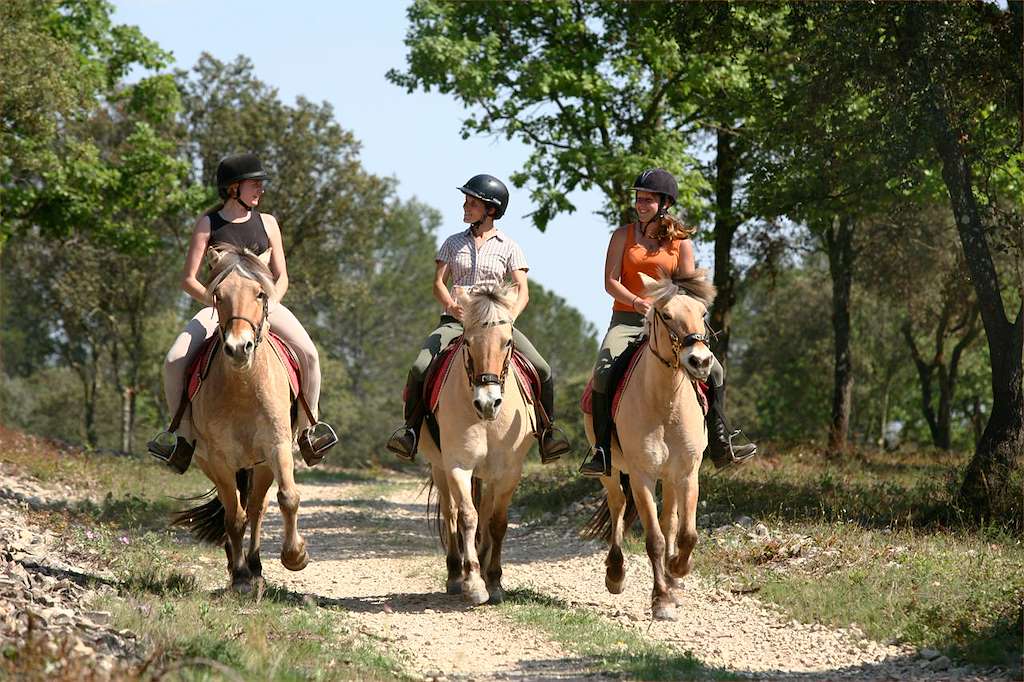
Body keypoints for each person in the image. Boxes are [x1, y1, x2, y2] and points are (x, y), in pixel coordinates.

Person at [147, 153, 336, 473]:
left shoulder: (268, 223)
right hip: (217, 308)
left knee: (310, 354)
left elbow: (282, 274)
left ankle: (308, 430)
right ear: (233, 188)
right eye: (254, 184)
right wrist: (216, 302)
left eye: (260, 184)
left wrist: (270, 301)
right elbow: (189, 279)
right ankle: (182, 436)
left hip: (265, 305)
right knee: (174, 360)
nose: (260, 189)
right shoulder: (209, 224)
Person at [579, 168, 757, 478]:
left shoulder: (681, 244)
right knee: (603, 373)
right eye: (638, 198)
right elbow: (610, 281)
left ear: (665, 204)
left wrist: (675, 313)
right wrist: (637, 302)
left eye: (648, 199)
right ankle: (603, 450)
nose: (640, 204)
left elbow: (687, 291)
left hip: (670, 323)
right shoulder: (622, 235)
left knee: (715, 369)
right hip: (628, 320)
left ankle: (719, 440)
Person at [386, 174, 571, 463]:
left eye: (472, 203)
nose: (465, 206)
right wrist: (450, 304)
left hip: (495, 327)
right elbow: (438, 283)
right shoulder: (451, 242)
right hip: (455, 322)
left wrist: (508, 318)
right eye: (466, 201)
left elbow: (523, 291)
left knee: (542, 368)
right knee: (420, 366)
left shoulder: (509, 246)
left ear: (491, 210)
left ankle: (548, 433)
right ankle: (410, 431)